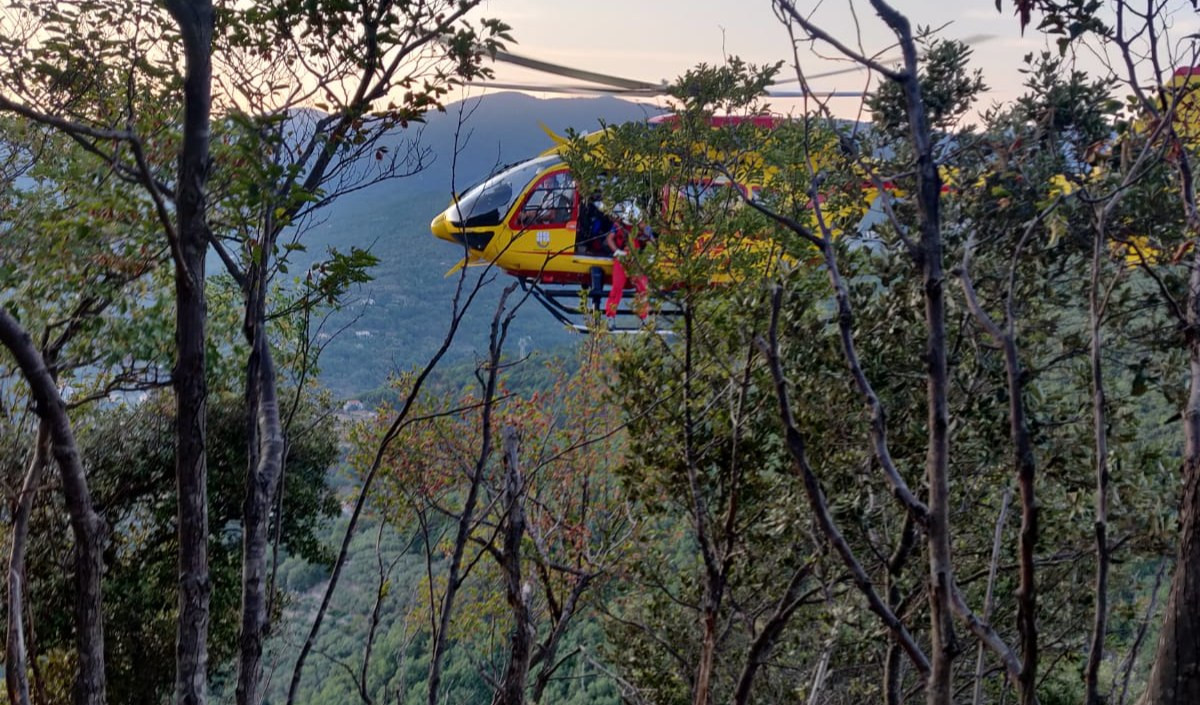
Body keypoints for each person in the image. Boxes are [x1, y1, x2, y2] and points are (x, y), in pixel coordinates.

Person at [604, 201, 654, 321]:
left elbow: (651, 241)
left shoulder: (643, 227)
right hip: (621, 258)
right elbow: (609, 239)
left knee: (642, 286)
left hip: (636, 258)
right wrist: (617, 251)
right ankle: (610, 316)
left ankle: (643, 317)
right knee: (617, 286)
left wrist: (649, 255)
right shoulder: (618, 226)